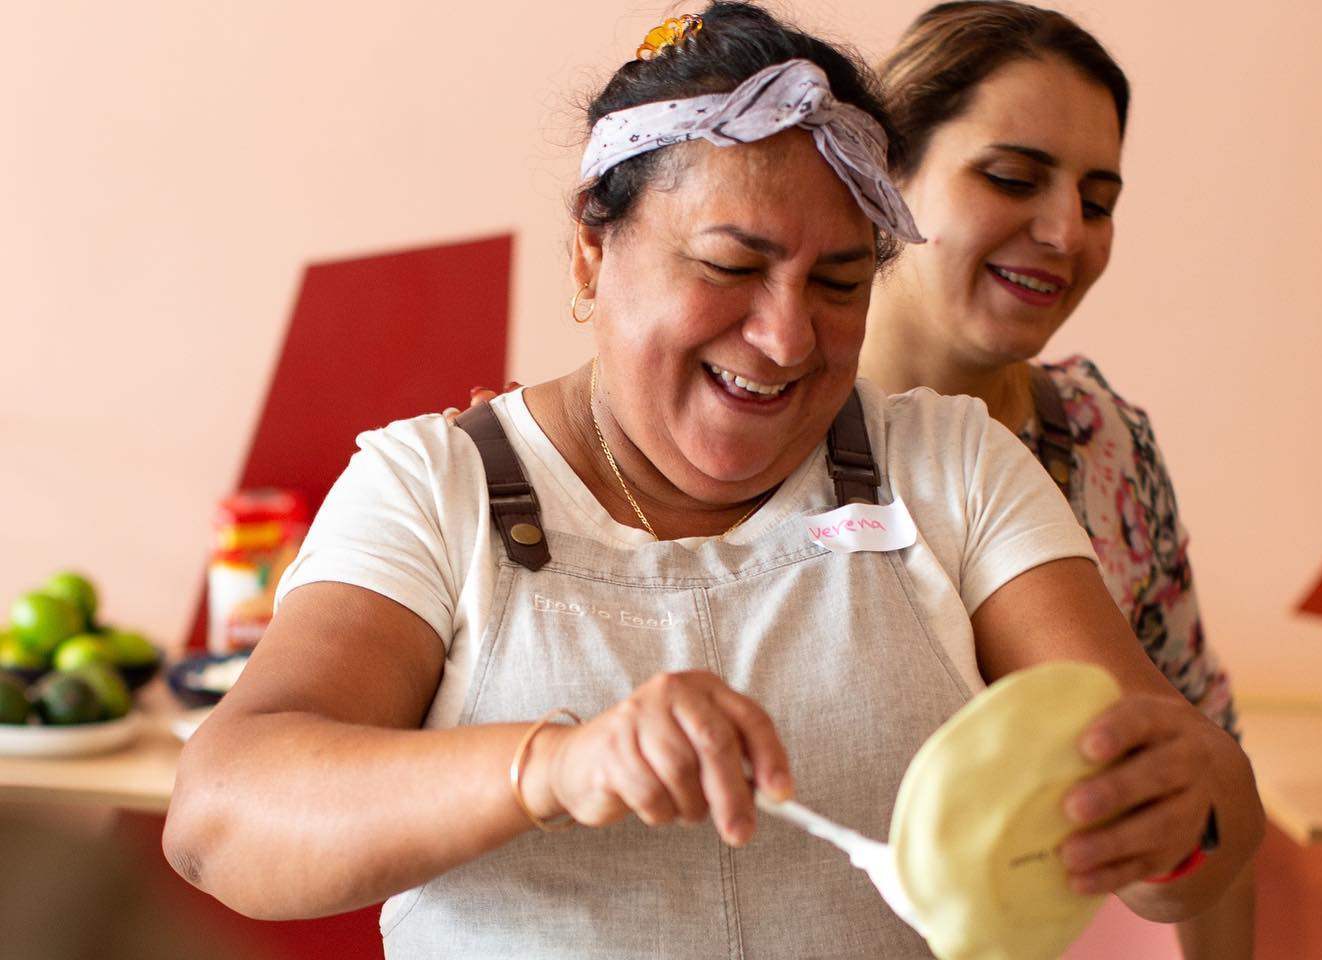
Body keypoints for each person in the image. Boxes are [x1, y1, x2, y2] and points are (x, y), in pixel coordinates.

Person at [163, 4, 1262, 958]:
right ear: (592, 253)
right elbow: (222, 821)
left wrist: (1183, 811)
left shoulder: (958, 467)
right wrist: (552, 769)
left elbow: (1199, 839)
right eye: (732, 266)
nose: (787, 337)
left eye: (839, 282)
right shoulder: (435, 487)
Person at [858, 3, 1254, 955]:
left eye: (1100, 198)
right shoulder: (738, 432)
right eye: (1011, 178)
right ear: (884, 176)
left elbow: (1201, 778)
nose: (1066, 231)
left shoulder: (1105, 443)